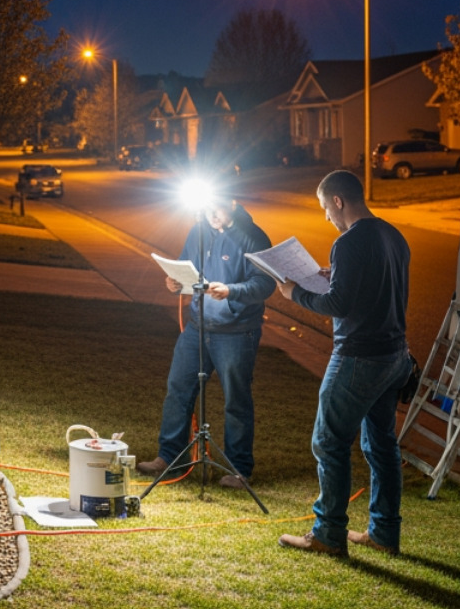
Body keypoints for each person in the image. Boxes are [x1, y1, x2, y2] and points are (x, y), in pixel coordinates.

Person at [278, 169, 412, 557]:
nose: (326, 217)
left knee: (329, 440)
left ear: (338, 201)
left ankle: (328, 533)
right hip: (395, 356)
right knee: (381, 445)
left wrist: (295, 293)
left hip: (358, 356)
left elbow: (338, 304)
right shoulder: (392, 235)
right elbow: (376, 286)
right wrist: (334, 275)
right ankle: (385, 532)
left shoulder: (349, 242)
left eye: (325, 207)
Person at [136, 193, 275, 488]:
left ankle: (240, 470)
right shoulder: (199, 230)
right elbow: (188, 269)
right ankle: (169, 457)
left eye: (218, 208)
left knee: (236, 400)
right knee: (178, 388)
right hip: (197, 328)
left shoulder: (254, 237)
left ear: (234, 203)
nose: (212, 214)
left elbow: (265, 283)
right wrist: (175, 284)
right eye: (206, 208)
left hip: (237, 332)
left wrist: (231, 290)